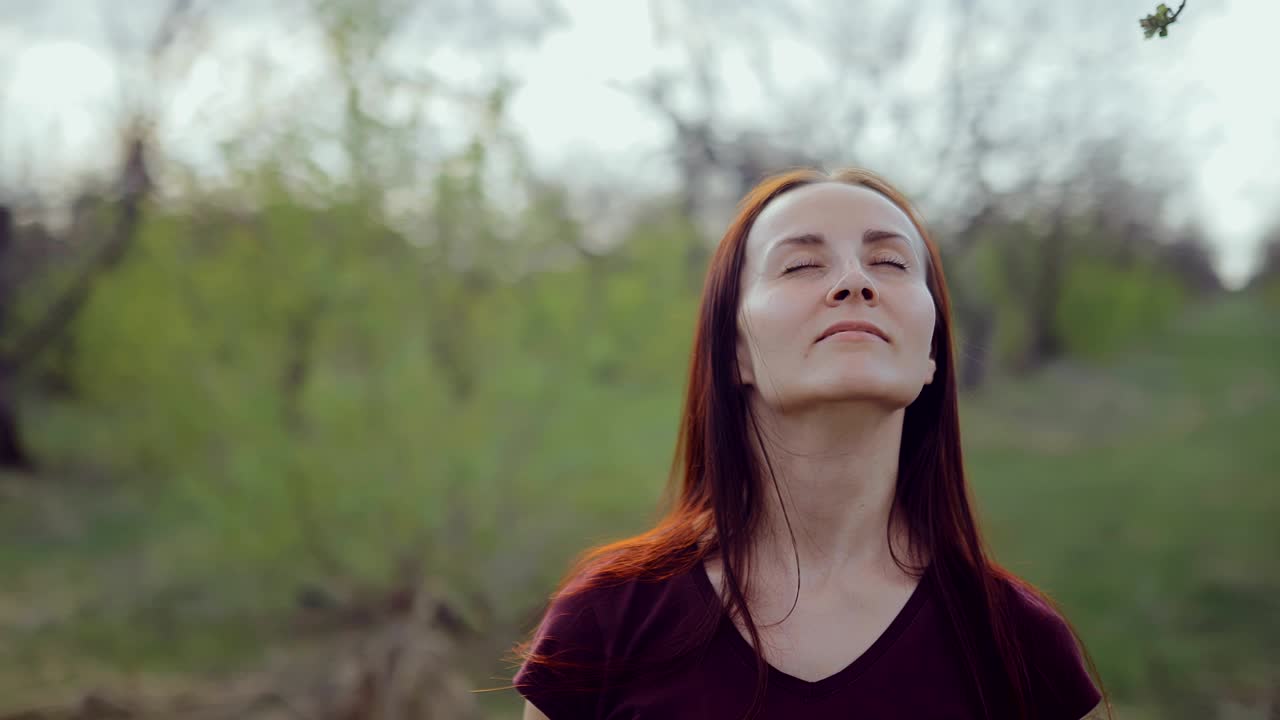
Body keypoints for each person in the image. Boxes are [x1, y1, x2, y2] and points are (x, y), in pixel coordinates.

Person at [511, 168, 1107, 719]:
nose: (855, 282)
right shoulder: (604, 624)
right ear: (734, 351)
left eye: (891, 263)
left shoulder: (1023, 648)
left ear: (930, 354)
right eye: (800, 265)